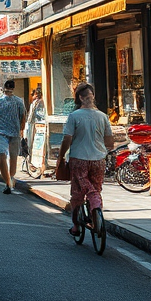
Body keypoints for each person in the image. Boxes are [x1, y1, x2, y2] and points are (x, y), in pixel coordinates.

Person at [55, 83, 115, 237]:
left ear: (79, 98)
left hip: (79, 159)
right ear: (92, 96)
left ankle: (76, 226)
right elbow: (109, 142)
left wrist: (61, 156)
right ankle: (96, 211)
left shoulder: (74, 116)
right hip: (98, 160)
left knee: (78, 193)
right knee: (96, 187)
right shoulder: (103, 116)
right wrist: (102, 151)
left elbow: (67, 139)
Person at [0, 79, 27, 194]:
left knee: (3, 156)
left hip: (1, 132)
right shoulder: (19, 101)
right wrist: (21, 130)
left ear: (3, 88)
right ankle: (10, 179)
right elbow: (23, 117)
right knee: (13, 157)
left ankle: (8, 182)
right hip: (13, 132)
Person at [25, 86, 46, 161]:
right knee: (30, 143)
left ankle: (32, 159)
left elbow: (40, 114)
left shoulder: (41, 103)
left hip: (36, 124)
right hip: (31, 124)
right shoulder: (34, 103)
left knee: (34, 143)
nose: (36, 96)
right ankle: (30, 158)